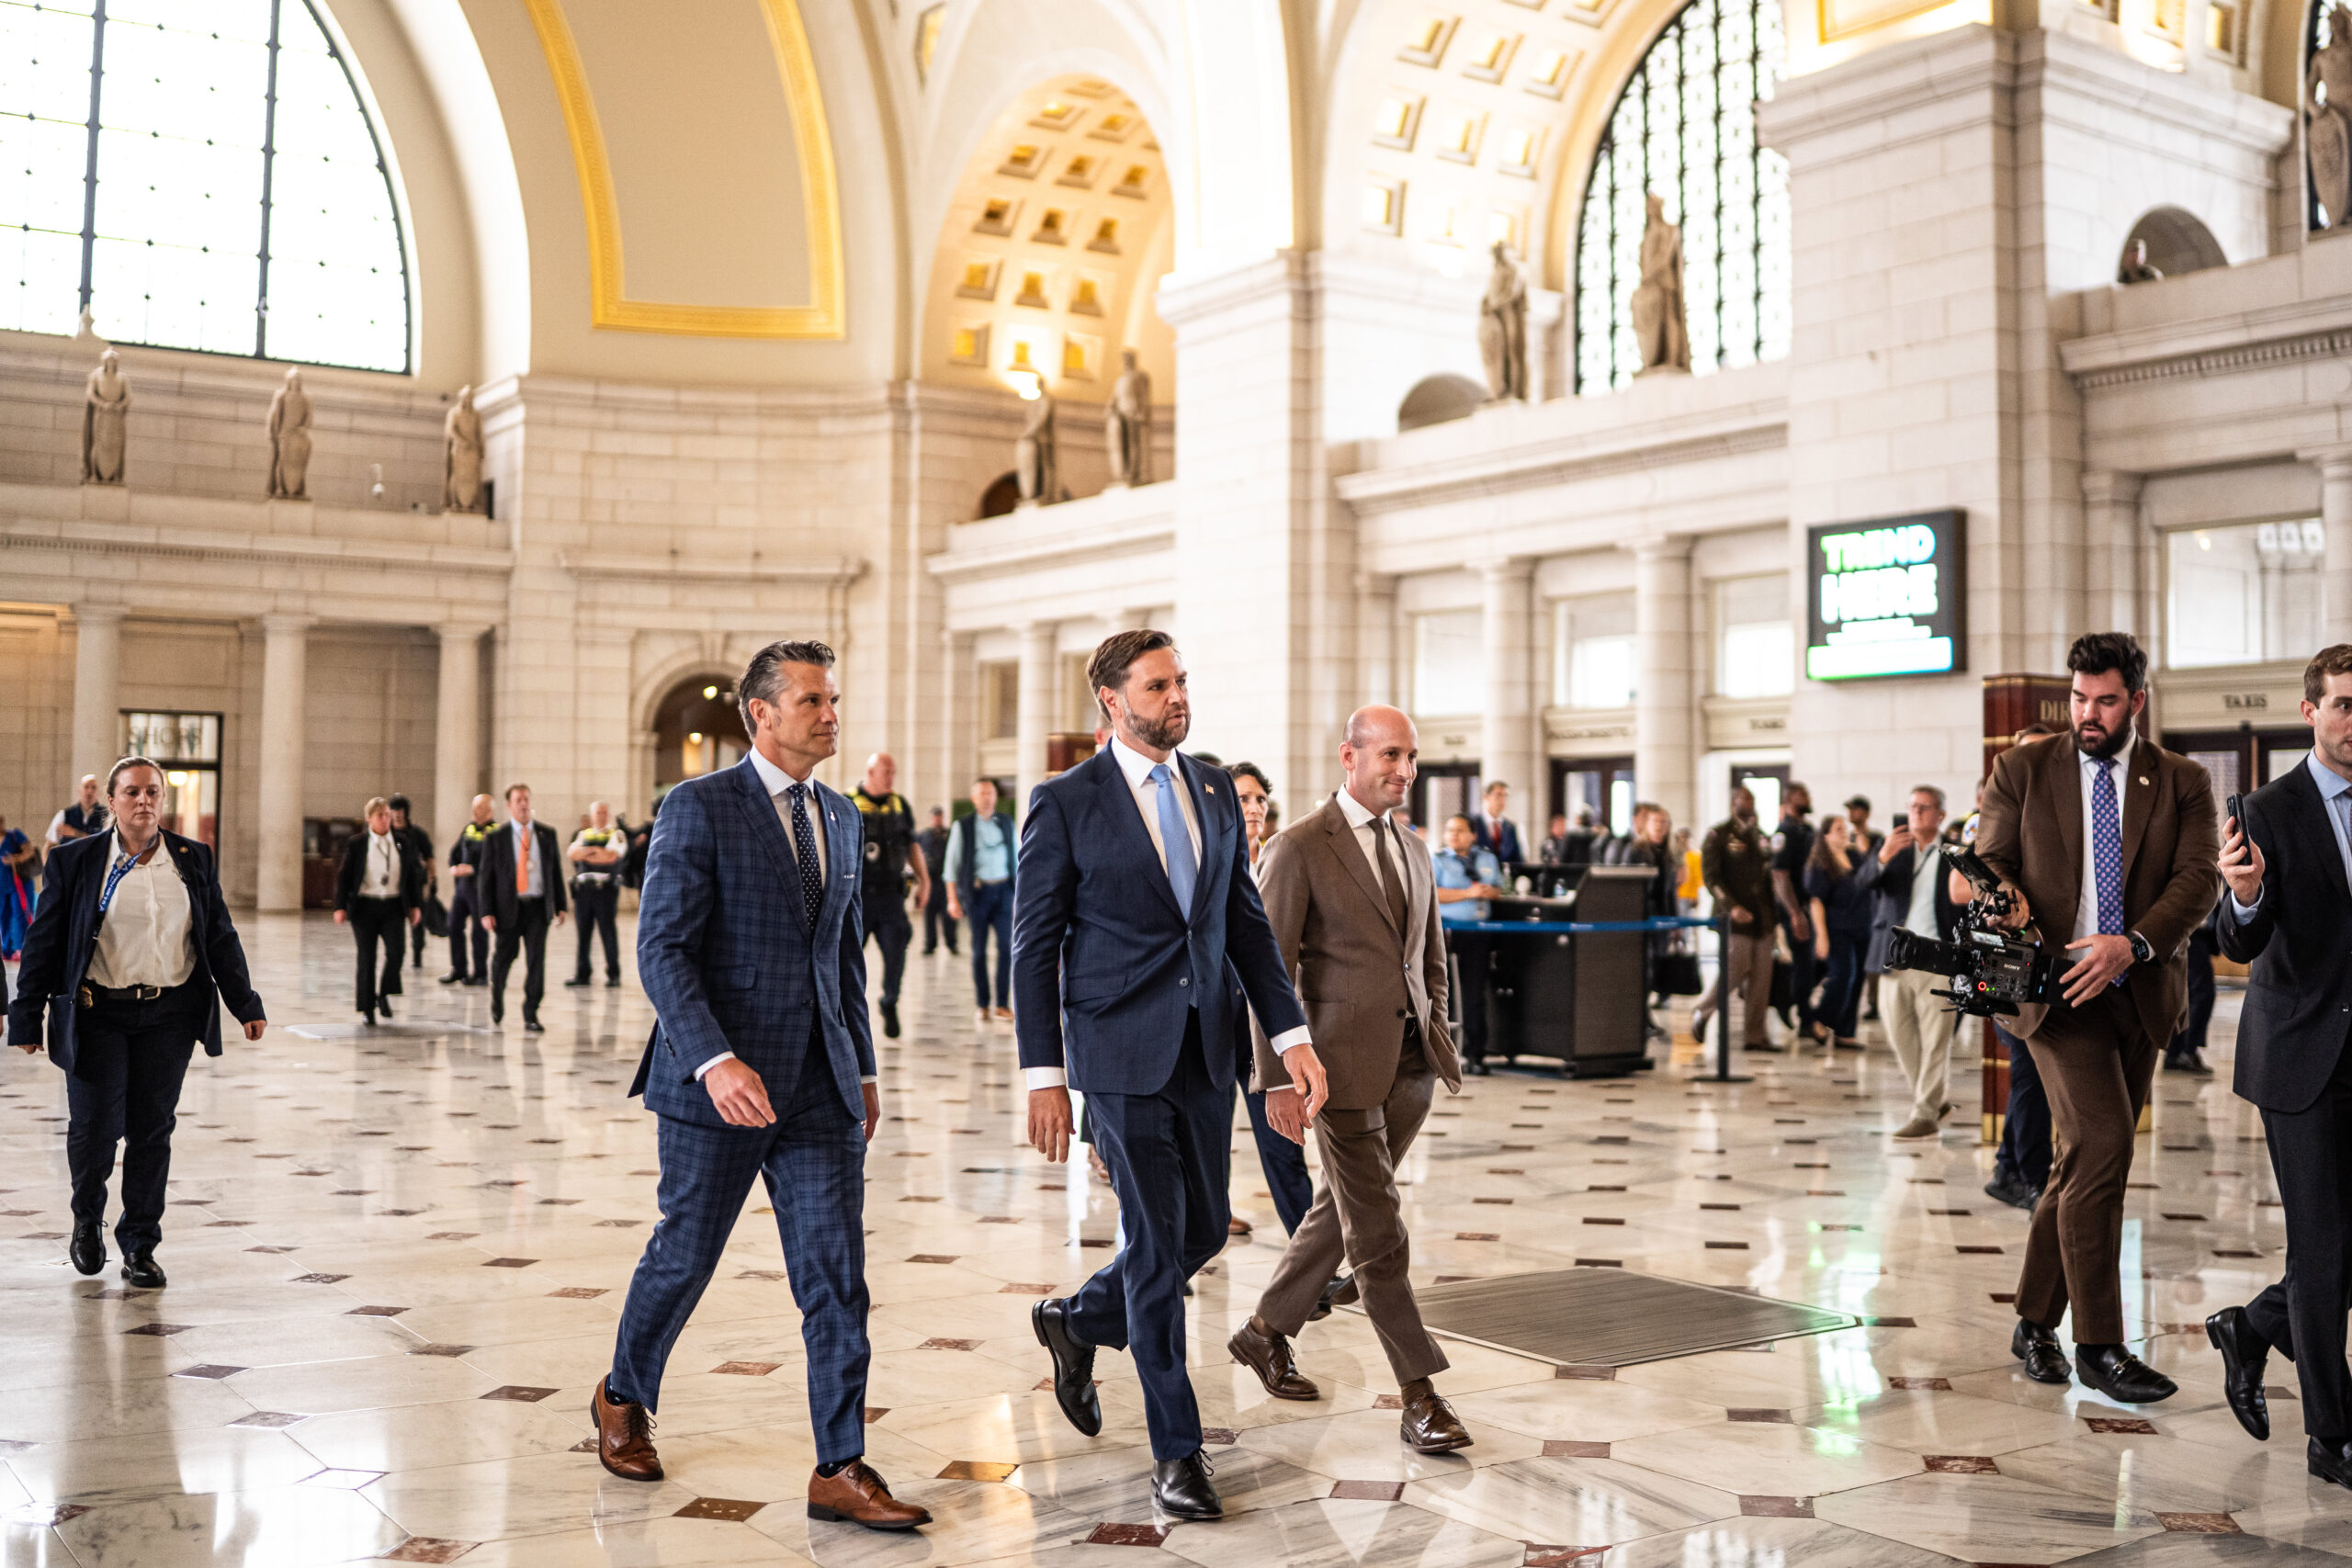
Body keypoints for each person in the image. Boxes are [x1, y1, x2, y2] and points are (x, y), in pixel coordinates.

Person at [595, 639, 926, 1532]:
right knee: (685, 1255)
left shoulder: (845, 817)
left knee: (835, 1275)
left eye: (833, 699)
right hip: (718, 1087)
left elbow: (842, 958)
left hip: (818, 1088)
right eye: (813, 701)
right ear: (761, 714)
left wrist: (860, 1065)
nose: (830, 714)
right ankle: (623, 1395)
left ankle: (839, 1464)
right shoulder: (697, 808)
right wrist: (713, 1058)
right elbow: (661, 948)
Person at [1016, 629, 1322, 1523]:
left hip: (1204, 1049)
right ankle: (1177, 1452)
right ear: (1113, 700)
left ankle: (1076, 1323)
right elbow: (1034, 946)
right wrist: (1043, 1074)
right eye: (1158, 685)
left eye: (1181, 679)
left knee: (1200, 1233)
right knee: (1157, 1250)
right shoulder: (1066, 800)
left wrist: (1290, 1035)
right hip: (1114, 1052)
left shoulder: (1215, 787)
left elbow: (1246, 928)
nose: (1177, 696)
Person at [1976, 631, 2220, 1404]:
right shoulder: (2024, 767)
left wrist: (2134, 944)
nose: (2088, 712)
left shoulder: (2181, 780)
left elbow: (2197, 878)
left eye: (2105, 700)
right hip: (2053, 995)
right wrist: (1998, 896)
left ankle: (2033, 1321)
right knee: (2106, 1144)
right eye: (2080, 698)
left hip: (2138, 990)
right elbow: (1994, 861)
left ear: (2136, 701)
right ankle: (2100, 1344)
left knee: (2077, 1163)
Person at [1227, 706, 1471, 1454]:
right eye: (1392, 754)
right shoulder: (1300, 846)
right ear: (1349, 756)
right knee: (1377, 1226)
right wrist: (1275, 1078)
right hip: (1331, 1069)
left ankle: (1263, 1330)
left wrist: (1440, 1039)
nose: (1405, 770)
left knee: (1343, 1208)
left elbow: (1429, 957)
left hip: (1409, 1067)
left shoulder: (1414, 848)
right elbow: (1267, 971)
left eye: (1413, 757)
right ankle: (1420, 1393)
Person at [7, 756, 267, 1286]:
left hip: (169, 1014)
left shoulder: (192, 858)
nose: (143, 801)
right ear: (112, 800)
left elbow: (218, 933)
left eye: (152, 792)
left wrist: (246, 1003)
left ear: (162, 801)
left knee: (152, 1131)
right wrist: (27, 1016)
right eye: (132, 793)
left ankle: (140, 1245)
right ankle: (87, 1220)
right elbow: (45, 940)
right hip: (97, 1011)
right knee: (95, 1128)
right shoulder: (76, 860)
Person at [2209, 643, 2352, 1486]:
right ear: (2311, 710)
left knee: (2339, 1250)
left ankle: (2253, 1326)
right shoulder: (2267, 808)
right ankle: (2332, 1436)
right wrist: (2248, 892)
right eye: (2341, 704)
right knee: (2325, 1247)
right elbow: (2238, 939)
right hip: (2300, 1053)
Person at [1226, 761, 1313, 1239]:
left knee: (1285, 1141)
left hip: (1266, 1031)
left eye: (1260, 799)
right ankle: (1198, 1239)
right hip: (1217, 1026)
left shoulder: (1280, 860)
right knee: (1206, 1143)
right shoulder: (1208, 860)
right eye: (1243, 799)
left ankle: (1312, 1265)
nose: (1255, 807)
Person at [1856, 785, 1964, 1136]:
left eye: (1925, 807)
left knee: (1936, 1039)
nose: (1917, 812)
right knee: (1901, 1036)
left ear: (1941, 815)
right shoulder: (1891, 848)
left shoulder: (1955, 853)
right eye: (1912, 806)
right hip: (1893, 955)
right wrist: (1883, 857)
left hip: (1939, 958)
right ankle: (1932, 1098)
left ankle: (1925, 1113)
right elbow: (1861, 885)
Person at [479, 783, 570, 1033]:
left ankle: (531, 1013)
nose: (523, 804)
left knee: (536, 961)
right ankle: (497, 997)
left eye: (526, 799)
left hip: (537, 908)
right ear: (509, 805)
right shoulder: (496, 837)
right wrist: (486, 911)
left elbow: (555, 872)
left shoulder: (546, 834)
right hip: (507, 908)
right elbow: (485, 878)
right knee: (503, 960)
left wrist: (560, 904)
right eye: (518, 799)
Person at [851, 753, 928, 1040]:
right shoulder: (848, 802)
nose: (891, 777)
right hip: (856, 900)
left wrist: (925, 882)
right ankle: (847, 1011)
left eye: (893, 772)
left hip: (891, 898)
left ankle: (889, 1001)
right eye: (886, 771)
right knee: (847, 959)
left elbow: (912, 846)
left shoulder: (899, 805)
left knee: (897, 955)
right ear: (870, 771)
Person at [1694, 787, 1775, 1050]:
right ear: (1733, 803)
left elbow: (1768, 876)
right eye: (1744, 799)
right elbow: (1711, 877)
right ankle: (1703, 1011)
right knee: (1735, 970)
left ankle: (1755, 1035)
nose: (1749, 803)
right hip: (1735, 917)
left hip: (1762, 916)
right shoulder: (1718, 835)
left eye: (1752, 799)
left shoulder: (1760, 835)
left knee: (1762, 979)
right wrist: (1731, 906)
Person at [334, 796, 423, 1025]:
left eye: (387, 815)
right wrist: (340, 907)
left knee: (397, 952)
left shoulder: (402, 842)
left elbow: (412, 876)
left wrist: (415, 906)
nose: (385, 820)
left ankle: (383, 994)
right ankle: (367, 1008)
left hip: (393, 905)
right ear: (369, 819)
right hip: (365, 906)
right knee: (367, 957)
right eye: (380, 815)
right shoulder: (357, 843)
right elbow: (344, 878)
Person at [1431, 815, 1504, 1074]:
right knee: (1444, 994)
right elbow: (1433, 893)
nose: (1453, 835)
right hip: (1448, 933)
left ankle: (1476, 1053)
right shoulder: (1437, 859)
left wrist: (1489, 892)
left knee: (1475, 993)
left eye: (1460, 831)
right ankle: (1445, 1054)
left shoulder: (1486, 858)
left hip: (1480, 934)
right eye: (1450, 830)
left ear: (1473, 835)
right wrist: (1468, 893)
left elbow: (1499, 888)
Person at [944, 780, 1016, 1029]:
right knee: (979, 951)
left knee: (1007, 949)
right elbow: (951, 866)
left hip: (1005, 891)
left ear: (996, 797)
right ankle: (983, 1004)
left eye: (991, 793)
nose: (987, 797)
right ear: (974, 798)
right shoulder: (962, 826)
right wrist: (953, 899)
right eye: (982, 793)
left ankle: (1002, 1004)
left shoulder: (1006, 823)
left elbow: (1018, 858)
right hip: (978, 894)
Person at [1803, 817, 1871, 1053]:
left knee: (1858, 979)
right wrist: (1821, 935)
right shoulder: (1821, 864)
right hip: (1836, 928)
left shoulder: (1854, 856)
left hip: (1861, 926)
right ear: (1826, 836)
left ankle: (1845, 1033)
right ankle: (1819, 1018)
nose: (1845, 832)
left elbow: (1869, 880)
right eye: (1838, 829)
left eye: (1845, 828)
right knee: (1843, 975)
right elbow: (1816, 902)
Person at [1770, 784, 1818, 1041]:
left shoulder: (1807, 829)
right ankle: (1804, 1019)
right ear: (1789, 800)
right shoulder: (1784, 832)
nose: (1808, 799)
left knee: (1814, 965)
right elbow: (1780, 876)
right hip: (1796, 908)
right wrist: (1795, 913)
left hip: (1811, 907)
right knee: (1803, 965)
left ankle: (1789, 1000)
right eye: (1803, 795)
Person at [566, 802, 627, 989]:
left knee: (608, 932)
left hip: (605, 891)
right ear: (592, 815)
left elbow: (611, 857)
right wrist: (596, 852)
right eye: (597, 813)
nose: (600, 816)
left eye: (603, 812)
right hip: (584, 891)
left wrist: (587, 853)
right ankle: (582, 974)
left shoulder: (616, 834)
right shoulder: (583, 834)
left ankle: (613, 974)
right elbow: (572, 854)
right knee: (583, 933)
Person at [439, 795, 494, 987]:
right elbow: (454, 853)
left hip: (481, 890)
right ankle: (458, 969)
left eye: (478, 809)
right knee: (453, 925)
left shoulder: (495, 832)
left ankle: (480, 973)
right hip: (462, 889)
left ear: (489, 811)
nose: (474, 812)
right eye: (473, 808)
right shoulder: (468, 829)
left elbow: (496, 864)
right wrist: (454, 867)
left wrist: (473, 869)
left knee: (479, 932)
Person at [2165, 901, 2221, 1074]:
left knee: (2187, 995)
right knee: (2203, 995)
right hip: (2190, 933)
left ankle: (2176, 1053)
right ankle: (2186, 1052)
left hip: (2198, 935)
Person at [387, 795, 435, 972]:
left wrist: (433, 879)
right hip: (393, 882)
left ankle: (417, 953)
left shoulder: (417, 833)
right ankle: (395, 953)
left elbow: (429, 857)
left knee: (417, 920)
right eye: (394, 810)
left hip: (415, 882)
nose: (397, 815)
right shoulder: (387, 832)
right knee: (395, 920)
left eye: (400, 810)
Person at [917, 807, 957, 956]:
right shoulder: (923, 836)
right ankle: (930, 944)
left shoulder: (950, 834)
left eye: (939, 817)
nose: (937, 819)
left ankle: (951, 943)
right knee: (929, 915)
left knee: (949, 916)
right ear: (931, 818)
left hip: (946, 881)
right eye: (935, 817)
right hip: (930, 881)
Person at [1, 814, 34, 960]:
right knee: (4, 915)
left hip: (19, 882)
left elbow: (30, 851)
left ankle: (22, 947)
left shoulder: (14, 835)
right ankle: (6, 949)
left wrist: (15, 859)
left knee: (21, 913)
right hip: (3, 885)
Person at [46, 774, 107, 845]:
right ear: (79, 790)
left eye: (93, 788)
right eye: (86, 787)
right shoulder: (64, 815)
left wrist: (74, 833)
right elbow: (49, 845)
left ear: (99, 793)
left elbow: (101, 844)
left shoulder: (106, 816)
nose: (89, 791)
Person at [1473, 780, 1522, 864]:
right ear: (1486, 797)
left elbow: (1517, 858)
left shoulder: (1509, 827)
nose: (1502, 800)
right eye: (1498, 795)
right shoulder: (1474, 822)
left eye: (1505, 796)